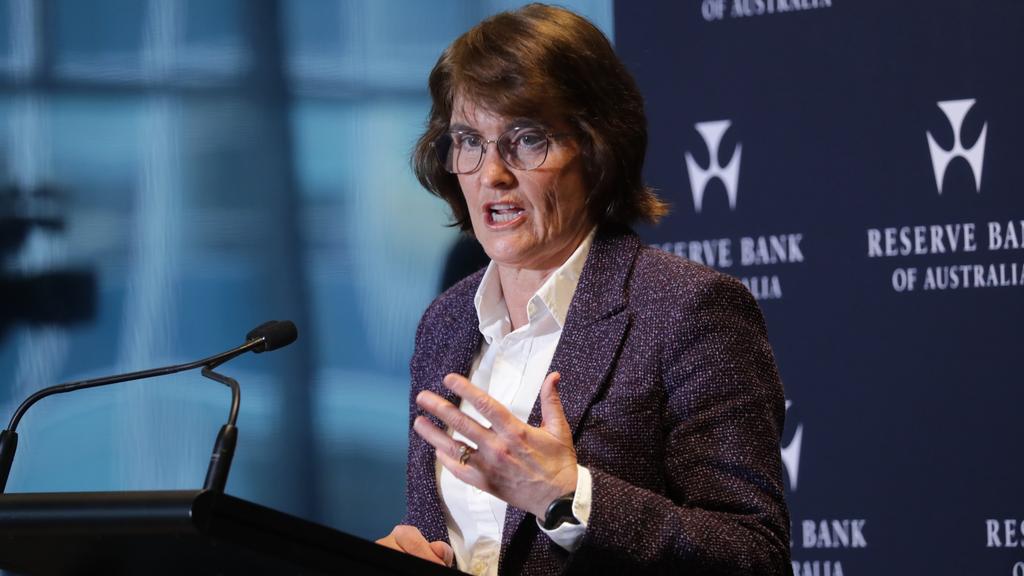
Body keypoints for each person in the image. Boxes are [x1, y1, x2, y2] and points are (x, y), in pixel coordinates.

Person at [377, 4, 791, 575]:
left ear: (596, 149)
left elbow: (753, 556)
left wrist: (567, 497)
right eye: (469, 140)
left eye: (526, 139)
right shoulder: (445, 322)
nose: (492, 174)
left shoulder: (686, 310)